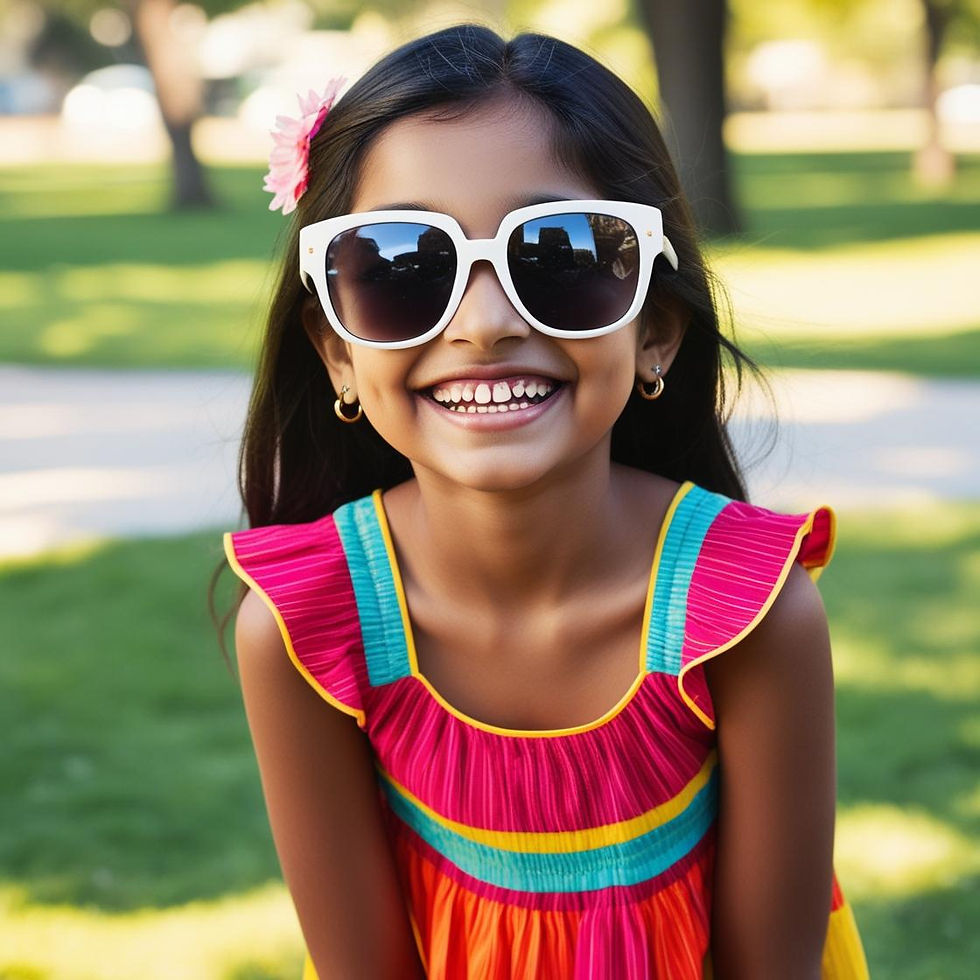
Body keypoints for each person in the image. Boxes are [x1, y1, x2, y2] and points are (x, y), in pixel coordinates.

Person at [220, 24, 869, 980]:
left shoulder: (752, 617)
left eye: (559, 256)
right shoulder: (304, 635)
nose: (484, 325)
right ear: (336, 351)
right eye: (403, 266)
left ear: (654, 331)